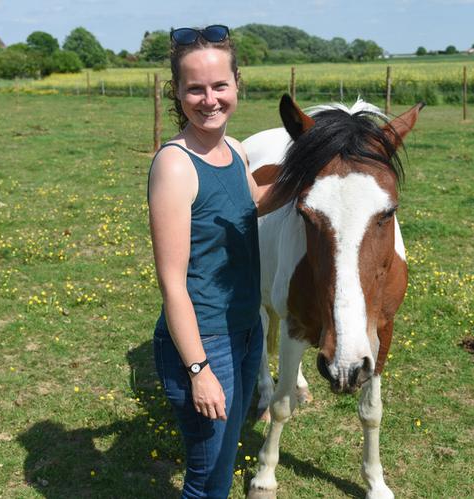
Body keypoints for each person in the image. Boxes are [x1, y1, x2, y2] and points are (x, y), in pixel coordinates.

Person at [147, 25, 274, 498]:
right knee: (207, 481)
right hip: (204, 342)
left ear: (237, 83)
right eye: (194, 88)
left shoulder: (234, 150)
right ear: (176, 93)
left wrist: (316, 170)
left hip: (245, 330)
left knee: (222, 463)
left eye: (219, 85)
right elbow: (172, 283)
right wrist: (199, 372)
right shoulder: (175, 165)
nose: (209, 98)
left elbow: (254, 201)